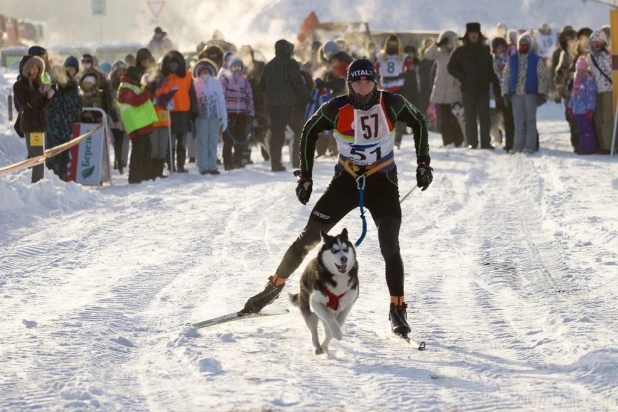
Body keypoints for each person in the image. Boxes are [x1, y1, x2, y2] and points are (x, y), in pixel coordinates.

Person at [242, 58, 432, 336]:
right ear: (350, 83)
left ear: (375, 81)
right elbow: (309, 131)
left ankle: (398, 308)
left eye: (368, 80)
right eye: (357, 81)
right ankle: (273, 287)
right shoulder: (337, 107)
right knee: (308, 238)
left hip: (383, 183)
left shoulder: (391, 103)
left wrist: (423, 163)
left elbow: (419, 122)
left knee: (390, 245)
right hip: (346, 181)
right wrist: (305, 176)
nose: (363, 86)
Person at [448, 22, 502, 149]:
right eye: (471, 33)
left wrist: (495, 86)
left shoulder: (485, 50)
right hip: (467, 89)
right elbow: (450, 67)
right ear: (468, 35)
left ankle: (485, 142)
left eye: (475, 33)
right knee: (470, 117)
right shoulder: (460, 51)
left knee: (485, 117)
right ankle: (472, 142)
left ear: (479, 34)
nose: (473, 36)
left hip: (483, 88)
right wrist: (462, 77)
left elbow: (491, 70)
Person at [261, 39, 311, 172]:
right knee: (297, 131)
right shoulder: (291, 64)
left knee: (277, 133)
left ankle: (275, 163)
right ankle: (297, 161)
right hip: (291, 105)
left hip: (273, 106)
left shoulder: (269, 66)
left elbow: (262, 86)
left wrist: (272, 96)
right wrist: (307, 96)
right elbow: (297, 84)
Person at [502, 34, 549, 154]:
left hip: (530, 94)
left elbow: (541, 77)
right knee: (518, 121)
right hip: (516, 94)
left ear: (530, 45)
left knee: (530, 121)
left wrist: (541, 92)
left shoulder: (536, 60)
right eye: (521, 45)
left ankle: (529, 146)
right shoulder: (512, 60)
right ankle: (517, 146)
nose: (523, 47)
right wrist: (505, 93)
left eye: (525, 45)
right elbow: (506, 77)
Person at [13, 55, 53, 183]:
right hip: (31, 126)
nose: (35, 70)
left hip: (40, 125)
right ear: (25, 70)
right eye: (32, 67)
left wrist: (48, 97)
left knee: (36, 156)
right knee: (38, 159)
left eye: (37, 67)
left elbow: (40, 106)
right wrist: (40, 91)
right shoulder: (19, 85)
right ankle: (37, 186)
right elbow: (27, 104)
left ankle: (28, 185)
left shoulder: (38, 83)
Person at [159, 50, 199, 172]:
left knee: (182, 141)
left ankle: (180, 165)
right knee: (169, 142)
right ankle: (170, 164)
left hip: (183, 112)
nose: (174, 66)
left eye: (176, 63)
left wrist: (194, 111)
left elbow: (192, 93)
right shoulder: (163, 78)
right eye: (171, 63)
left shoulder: (187, 76)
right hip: (169, 113)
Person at [374, 34, 416, 149]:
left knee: (398, 115)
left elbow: (374, 68)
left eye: (394, 45)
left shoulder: (399, 56)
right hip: (387, 89)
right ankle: (388, 138)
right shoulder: (384, 56)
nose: (392, 47)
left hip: (398, 88)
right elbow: (411, 66)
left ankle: (397, 139)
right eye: (391, 45)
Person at [117, 66, 158, 183]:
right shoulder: (124, 87)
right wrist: (146, 92)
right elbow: (135, 101)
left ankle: (145, 175)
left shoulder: (135, 86)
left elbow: (148, 98)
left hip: (143, 123)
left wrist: (149, 90)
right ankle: (134, 177)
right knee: (138, 151)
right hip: (136, 124)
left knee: (146, 149)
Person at [425, 30, 465, 147]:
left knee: (453, 118)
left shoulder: (458, 54)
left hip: (453, 91)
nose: (448, 45)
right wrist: (437, 44)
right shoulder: (440, 53)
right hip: (439, 91)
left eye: (450, 43)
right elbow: (428, 55)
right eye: (446, 43)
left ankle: (459, 140)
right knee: (443, 119)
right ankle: (447, 141)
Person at [45, 65, 82, 181]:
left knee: (64, 159)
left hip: (66, 130)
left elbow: (78, 108)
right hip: (52, 130)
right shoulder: (50, 89)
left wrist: (73, 115)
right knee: (52, 160)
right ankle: (53, 184)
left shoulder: (72, 90)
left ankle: (62, 184)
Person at [193, 59, 227, 175]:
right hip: (201, 118)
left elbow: (221, 101)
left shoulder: (216, 83)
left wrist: (224, 117)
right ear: (198, 72)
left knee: (213, 142)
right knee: (202, 141)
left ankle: (212, 166)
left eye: (207, 71)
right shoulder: (196, 84)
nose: (205, 73)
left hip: (214, 117)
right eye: (202, 71)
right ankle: (203, 166)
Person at [220, 58, 254, 170]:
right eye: (234, 66)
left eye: (239, 66)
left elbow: (249, 97)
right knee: (228, 140)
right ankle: (228, 162)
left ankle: (237, 160)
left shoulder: (244, 81)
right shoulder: (226, 80)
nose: (236, 69)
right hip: (229, 113)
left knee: (240, 138)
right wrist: (222, 112)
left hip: (242, 114)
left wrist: (250, 112)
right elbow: (221, 96)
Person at [586, 29, 613, 154]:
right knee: (598, 119)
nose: (595, 45)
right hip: (596, 91)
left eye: (598, 43)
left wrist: (605, 55)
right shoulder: (589, 57)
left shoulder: (611, 55)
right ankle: (601, 144)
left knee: (607, 119)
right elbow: (588, 72)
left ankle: (608, 146)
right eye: (593, 43)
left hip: (608, 90)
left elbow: (612, 72)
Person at [568, 57, 597, 154]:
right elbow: (572, 96)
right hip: (577, 111)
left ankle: (589, 148)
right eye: (578, 70)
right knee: (580, 130)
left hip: (585, 111)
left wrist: (590, 109)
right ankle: (583, 147)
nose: (580, 72)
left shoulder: (589, 82)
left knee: (587, 130)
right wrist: (570, 107)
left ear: (585, 70)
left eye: (582, 70)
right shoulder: (576, 81)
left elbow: (591, 97)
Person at [492, 37, 515, 152]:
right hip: (501, 94)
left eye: (503, 46)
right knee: (504, 119)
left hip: (512, 91)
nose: (501, 48)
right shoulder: (495, 61)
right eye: (499, 46)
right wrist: (497, 95)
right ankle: (505, 141)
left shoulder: (510, 58)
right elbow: (496, 79)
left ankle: (513, 142)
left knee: (512, 118)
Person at [108, 60, 128, 174]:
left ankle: (121, 161)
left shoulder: (127, 83)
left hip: (125, 114)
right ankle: (117, 160)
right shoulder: (110, 85)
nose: (120, 73)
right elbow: (108, 99)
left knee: (123, 139)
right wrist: (112, 112)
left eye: (123, 71)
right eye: (118, 71)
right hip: (113, 115)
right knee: (115, 140)